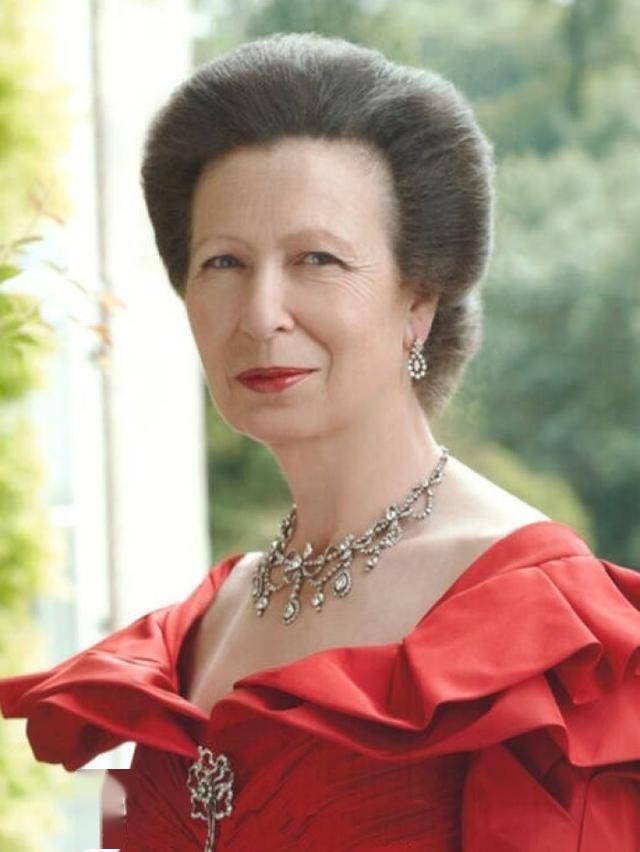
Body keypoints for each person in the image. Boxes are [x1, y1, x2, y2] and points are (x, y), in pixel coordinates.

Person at [1, 31, 639, 851]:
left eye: (317, 259)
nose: (261, 313)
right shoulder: (211, 616)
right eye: (224, 262)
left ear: (419, 301)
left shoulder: (543, 628)